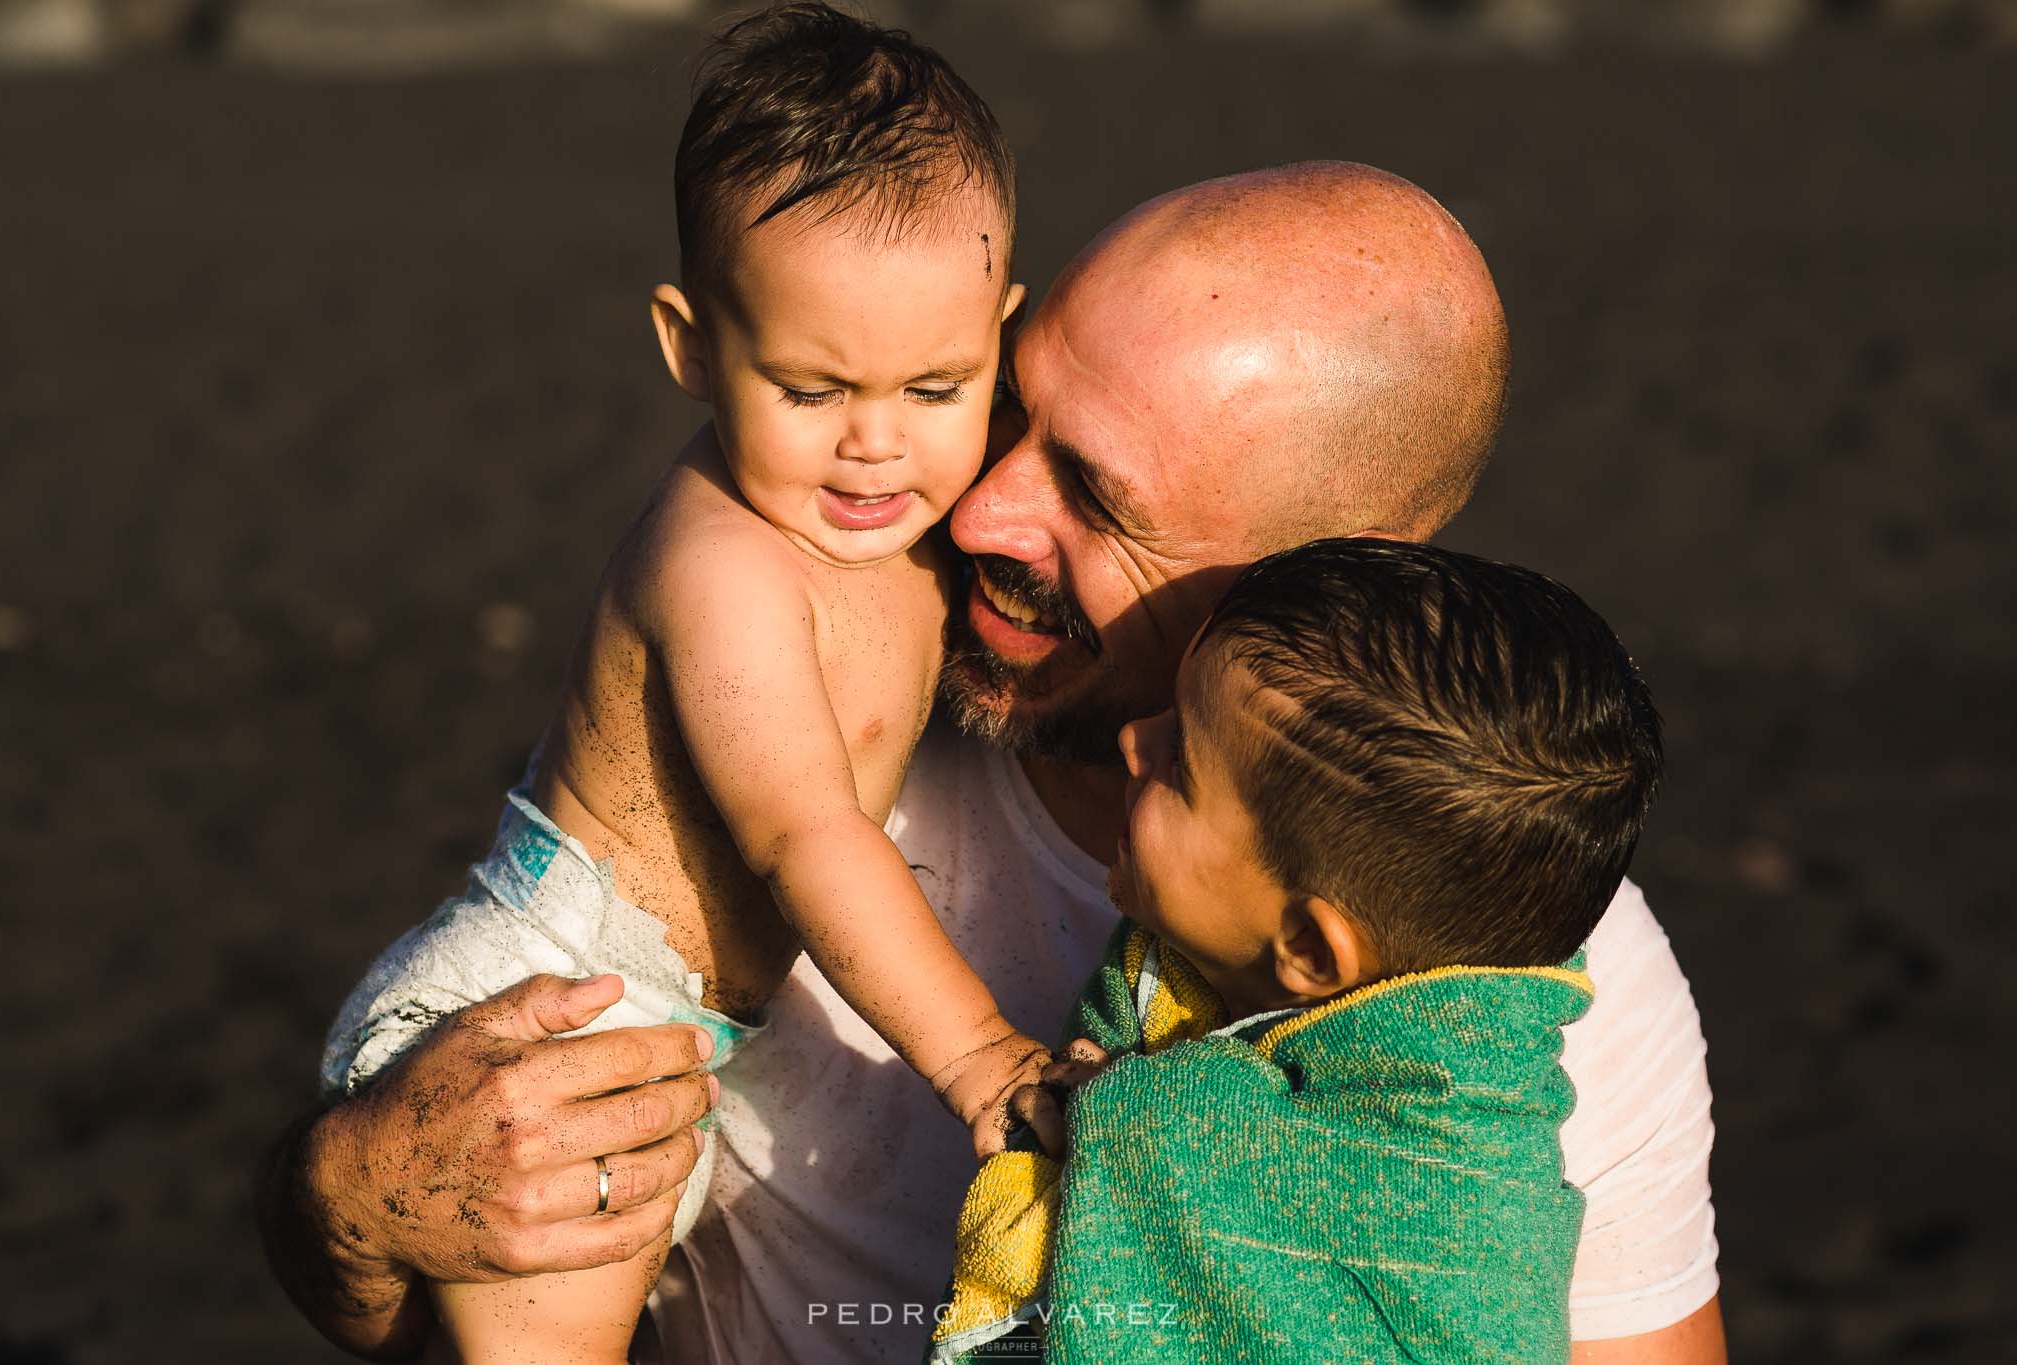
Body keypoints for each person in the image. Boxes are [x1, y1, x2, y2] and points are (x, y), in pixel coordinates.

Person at [259, 163, 1724, 1364]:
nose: (975, 516)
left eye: (1092, 497)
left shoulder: (1517, 983)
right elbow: (397, 1270)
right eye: (1010, 411)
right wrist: (356, 1197)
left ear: (1327, 576)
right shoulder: (810, 694)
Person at [303, 7, 1046, 1361]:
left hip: (681, 1037)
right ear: (691, 347)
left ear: (1000, 335)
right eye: (812, 388)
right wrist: (983, 1059)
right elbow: (801, 829)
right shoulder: (726, 567)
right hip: (557, 1006)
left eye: (936, 385)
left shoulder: (910, 501)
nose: (876, 446)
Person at [930, 537, 1664, 1362]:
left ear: (1311, 952)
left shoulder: (1449, 1182)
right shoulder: (1191, 967)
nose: (1134, 740)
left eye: (1180, 763)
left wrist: (1125, 1109)